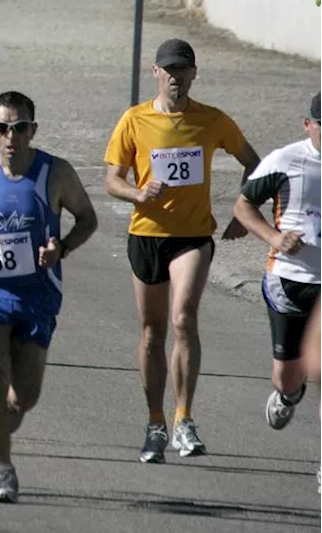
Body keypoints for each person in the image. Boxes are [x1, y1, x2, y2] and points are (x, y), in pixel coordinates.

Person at [103, 38, 260, 463]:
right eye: (168, 70)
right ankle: (155, 422)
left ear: (194, 73)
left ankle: (184, 419)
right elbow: (111, 180)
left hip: (192, 236)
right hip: (147, 235)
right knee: (152, 332)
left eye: (183, 69)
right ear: (155, 73)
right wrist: (138, 193)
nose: (175, 77)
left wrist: (243, 211)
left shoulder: (212, 120)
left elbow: (254, 162)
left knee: (184, 319)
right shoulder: (133, 120)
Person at [0, 91, 98, 503]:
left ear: (33, 130)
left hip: (37, 293)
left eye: (20, 127)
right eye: (3, 128)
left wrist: (61, 248)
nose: (12, 136)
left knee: (24, 395)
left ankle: (0, 423)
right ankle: (3, 470)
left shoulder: (56, 172)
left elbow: (88, 218)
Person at [232, 93, 322, 431]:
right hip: (290, 278)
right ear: (308, 124)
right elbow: (243, 207)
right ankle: (288, 395)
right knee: (286, 376)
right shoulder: (286, 160)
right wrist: (274, 238)